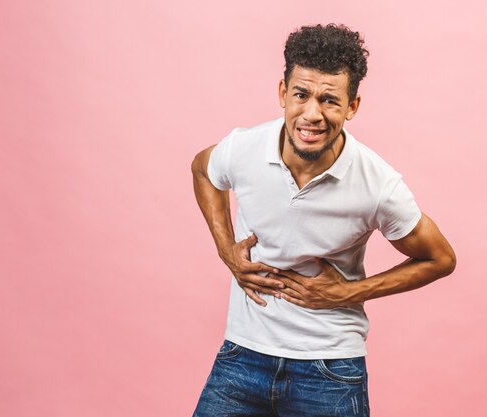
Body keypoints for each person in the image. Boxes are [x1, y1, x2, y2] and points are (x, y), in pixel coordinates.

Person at [191, 23, 456, 417]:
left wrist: (348, 293)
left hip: (329, 368)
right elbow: (202, 169)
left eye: (330, 100)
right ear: (283, 94)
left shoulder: (377, 184)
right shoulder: (244, 148)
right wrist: (227, 252)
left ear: (352, 106)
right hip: (242, 355)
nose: (312, 114)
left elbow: (440, 258)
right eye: (301, 94)